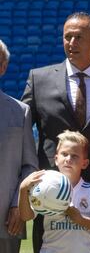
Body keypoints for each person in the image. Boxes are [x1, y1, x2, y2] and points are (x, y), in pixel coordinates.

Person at [21, 12, 90, 252]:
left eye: (79, 37)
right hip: (50, 188)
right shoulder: (39, 79)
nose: (71, 43)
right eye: (67, 37)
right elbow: (22, 131)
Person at [19, 130, 90, 253]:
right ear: (56, 159)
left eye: (74, 156)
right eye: (64, 154)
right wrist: (23, 189)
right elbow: (26, 216)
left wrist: (81, 220)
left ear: (85, 163)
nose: (68, 159)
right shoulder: (44, 186)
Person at [0, 40, 38, 252]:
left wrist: (18, 203)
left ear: (3, 67)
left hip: (5, 220)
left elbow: (29, 166)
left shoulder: (20, 112)